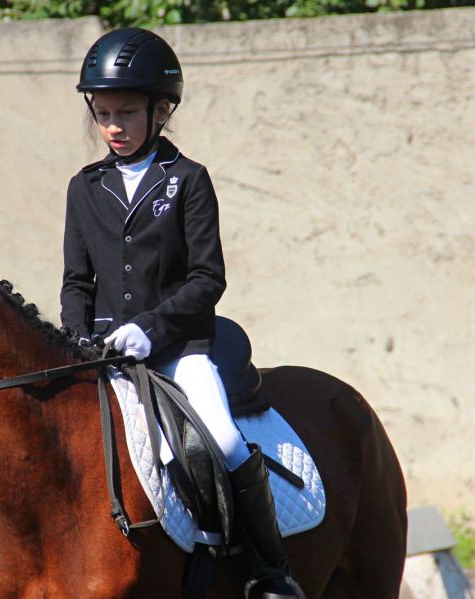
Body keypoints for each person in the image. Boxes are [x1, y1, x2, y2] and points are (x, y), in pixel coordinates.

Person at [59, 28, 305, 599]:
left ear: (160, 109)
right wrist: (75, 342)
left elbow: (207, 279)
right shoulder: (84, 187)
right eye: (103, 114)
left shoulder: (188, 180)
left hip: (177, 351)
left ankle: (270, 574)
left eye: (126, 112)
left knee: (220, 438)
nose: (114, 126)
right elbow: (77, 282)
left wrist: (151, 329)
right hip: (101, 357)